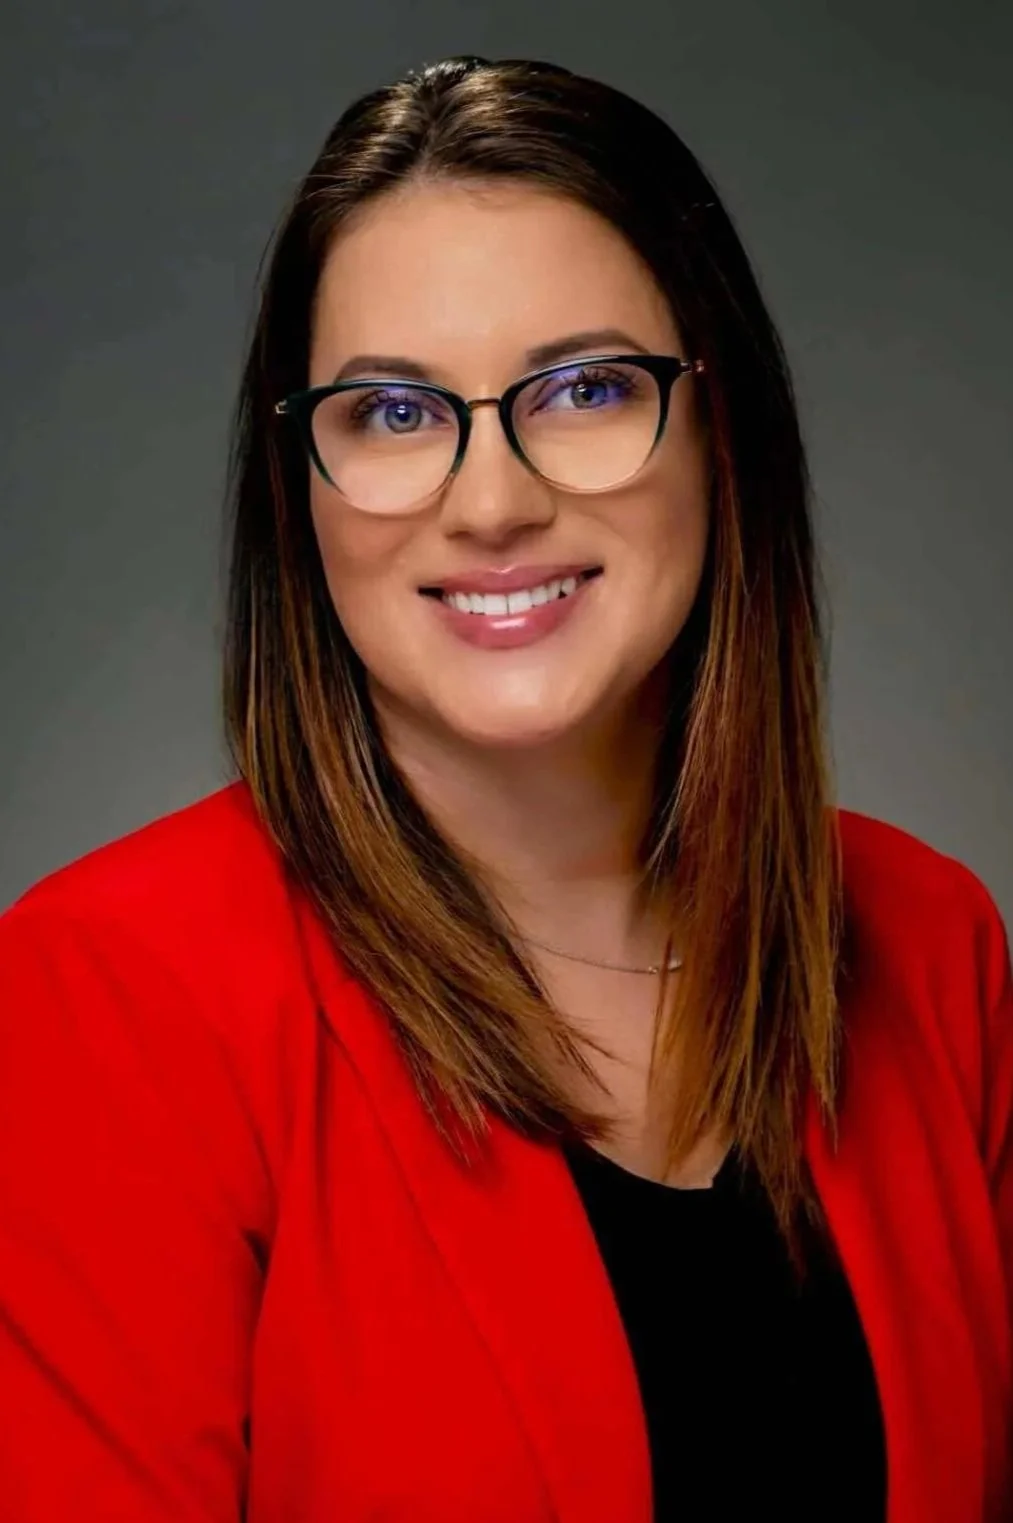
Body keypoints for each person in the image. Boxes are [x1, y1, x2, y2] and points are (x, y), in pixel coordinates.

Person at [0, 52, 1009, 1523]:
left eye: (587, 386)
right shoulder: (110, 995)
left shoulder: (934, 944)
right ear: (303, 494)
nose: (490, 499)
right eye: (394, 415)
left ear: (725, 435)